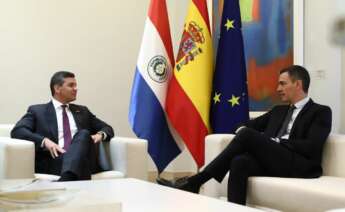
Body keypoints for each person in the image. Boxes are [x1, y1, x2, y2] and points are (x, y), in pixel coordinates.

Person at [157, 65, 332, 205]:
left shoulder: (321, 112)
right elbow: (246, 126)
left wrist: (276, 141)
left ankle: (196, 181)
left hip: (300, 165)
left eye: (282, 83)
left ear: (298, 84)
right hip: (275, 162)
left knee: (248, 136)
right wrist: (242, 131)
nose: (278, 88)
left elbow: (312, 146)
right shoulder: (278, 111)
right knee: (239, 162)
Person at [11, 71, 114, 181]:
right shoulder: (37, 111)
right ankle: (70, 177)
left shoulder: (83, 111)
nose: (76, 89)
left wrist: (100, 135)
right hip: (56, 161)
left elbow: (107, 128)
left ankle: (66, 179)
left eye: (76, 85)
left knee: (84, 134)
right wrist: (44, 141)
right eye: (71, 85)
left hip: (84, 159)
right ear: (57, 88)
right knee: (79, 160)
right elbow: (18, 131)